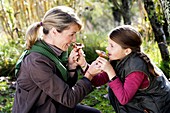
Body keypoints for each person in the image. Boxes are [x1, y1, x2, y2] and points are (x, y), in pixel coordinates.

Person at [12, 6, 101, 113]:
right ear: (54, 32)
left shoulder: (54, 52)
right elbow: (69, 98)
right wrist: (89, 75)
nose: (74, 40)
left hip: (53, 106)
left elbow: (63, 89)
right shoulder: (36, 61)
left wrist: (71, 66)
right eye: (71, 34)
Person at [84, 25, 170, 113]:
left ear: (127, 51)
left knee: (116, 89)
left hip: (156, 107)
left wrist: (110, 72)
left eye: (112, 46)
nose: (107, 48)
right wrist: (84, 65)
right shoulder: (118, 59)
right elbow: (98, 81)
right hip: (143, 103)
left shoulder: (136, 68)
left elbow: (123, 99)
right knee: (114, 88)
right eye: (108, 44)